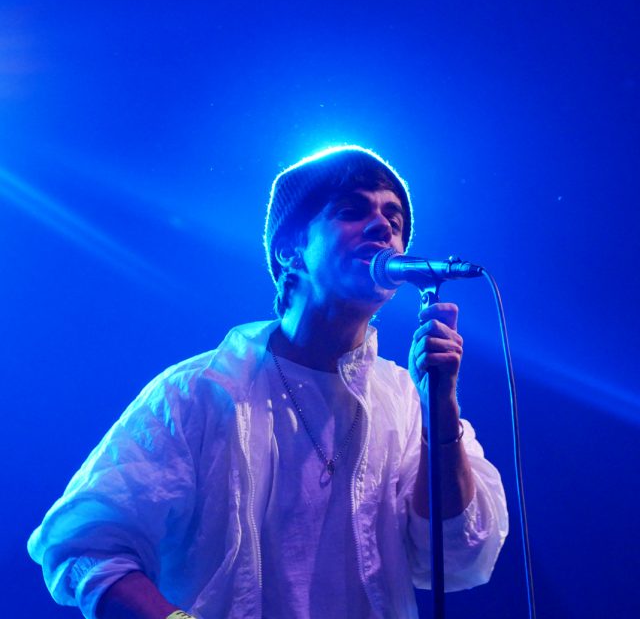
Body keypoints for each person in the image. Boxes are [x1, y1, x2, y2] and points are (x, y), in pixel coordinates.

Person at [28, 145, 508, 619]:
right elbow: (86, 548)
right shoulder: (199, 392)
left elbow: (457, 554)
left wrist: (440, 407)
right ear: (289, 250)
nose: (383, 227)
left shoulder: (406, 399)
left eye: (394, 219)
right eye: (352, 211)